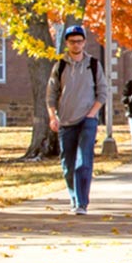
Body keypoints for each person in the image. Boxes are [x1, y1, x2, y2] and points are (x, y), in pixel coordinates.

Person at [46, 25, 107, 215]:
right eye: (72, 41)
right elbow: (51, 94)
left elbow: (102, 93)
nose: (76, 44)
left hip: (87, 120)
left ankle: (82, 203)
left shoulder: (94, 64)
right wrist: (52, 116)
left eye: (79, 41)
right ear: (67, 43)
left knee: (84, 161)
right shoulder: (60, 66)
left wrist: (92, 114)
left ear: (84, 42)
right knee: (68, 164)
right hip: (66, 121)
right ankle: (74, 199)